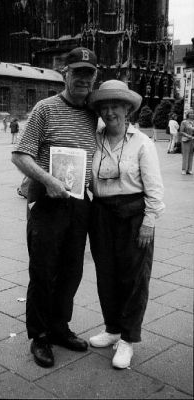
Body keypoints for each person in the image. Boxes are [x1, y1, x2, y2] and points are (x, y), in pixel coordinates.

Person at [11, 47, 98, 368]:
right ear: (65, 74)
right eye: (77, 73)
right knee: (43, 271)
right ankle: (40, 336)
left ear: (94, 78)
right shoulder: (45, 109)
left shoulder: (93, 113)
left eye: (88, 74)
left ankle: (60, 328)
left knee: (71, 272)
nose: (83, 80)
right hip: (48, 203)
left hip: (80, 206)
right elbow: (20, 155)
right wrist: (47, 179)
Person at [87, 80, 165, 369]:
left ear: (127, 109)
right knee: (106, 274)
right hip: (101, 214)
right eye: (104, 106)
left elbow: (155, 189)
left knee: (134, 278)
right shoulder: (93, 138)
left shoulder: (142, 143)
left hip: (134, 214)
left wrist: (149, 222)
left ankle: (128, 340)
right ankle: (112, 329)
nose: (110, 112)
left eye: (116, 106)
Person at [180, 110, 194, 175]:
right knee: (185, 155)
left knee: (191, 155)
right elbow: (181, 132)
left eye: (193, 113)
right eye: (190, 113)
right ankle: (184, 169)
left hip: (193, 140)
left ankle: (189, 169)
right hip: (186, 140)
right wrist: (188, 136)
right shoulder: (184, 122)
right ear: (187, 114)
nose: (192, 114)